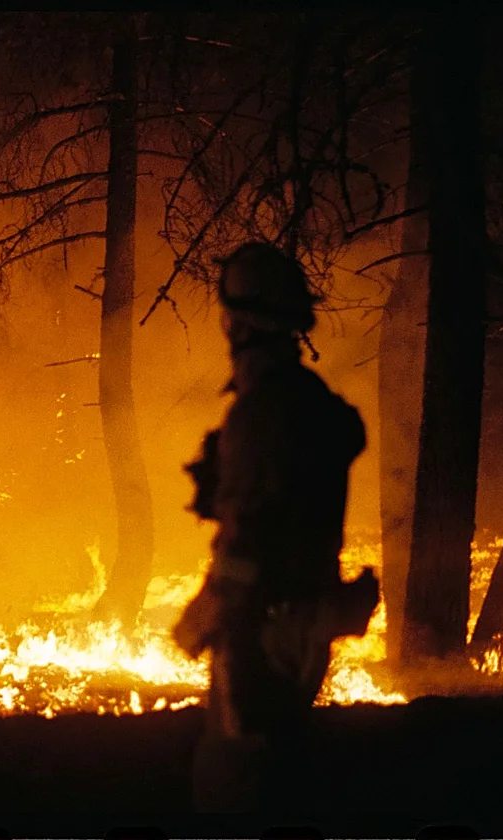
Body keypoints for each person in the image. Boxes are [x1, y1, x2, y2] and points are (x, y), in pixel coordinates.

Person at [172, 241, 379, 813]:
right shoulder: (313, 403)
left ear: (235, 322)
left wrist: (198, 624)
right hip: (305, 624)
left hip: (260, 632)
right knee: (280, 771)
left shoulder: (259, 415)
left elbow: (246, 550)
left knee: (234, 782)